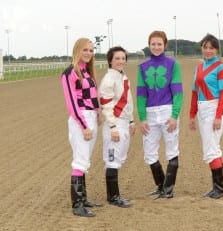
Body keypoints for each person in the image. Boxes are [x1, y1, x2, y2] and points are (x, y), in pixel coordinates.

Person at [136, 31, 183, 199]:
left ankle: (168, 191)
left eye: (159, 44)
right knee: (149, 153)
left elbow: (178, 92)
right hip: (149, 113)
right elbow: (141, 95)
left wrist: (174, 115)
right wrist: (142, 118)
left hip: (167, 111)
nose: (156, 47)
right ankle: (161, 186)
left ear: (165, 45)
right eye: (153, 44)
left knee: (171, 150)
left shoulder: (173, 65)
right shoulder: (142, 67)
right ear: (149, 45)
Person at [60, 37, 102, 217]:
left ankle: (83, 199)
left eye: (91, 50)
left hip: (91, 117)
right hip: (81, 119)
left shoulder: (87, 71)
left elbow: (92, 95)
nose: (89, 53)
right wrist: (84, 125)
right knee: (80, 160)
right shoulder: (70, 72)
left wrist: (98, 111)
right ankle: (77, 205)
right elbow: (71, 103)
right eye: (85, 50)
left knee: (85, 159)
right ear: (77, 50)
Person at [189, 33, 223, 199]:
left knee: (211, 149)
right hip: (202, 110)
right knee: (212, 147)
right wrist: (192, 115)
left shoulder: (222, 68)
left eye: (211, 48)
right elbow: (194, 92)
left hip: (214, 109)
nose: (208, 50)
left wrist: (218, 116)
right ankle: (218, 188)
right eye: (205, 47)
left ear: (216, 49)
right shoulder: (199, 68)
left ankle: (219, 189)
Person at [98, 46, 135, 208]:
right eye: (117, 58)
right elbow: (106, 104)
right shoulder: (109, 79)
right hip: (115, 122)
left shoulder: (122, 76)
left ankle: (114, 195)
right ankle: (113, 197)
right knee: (112, 160)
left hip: (124, 122)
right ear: (110, 61)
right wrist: (113, 127)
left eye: (123, 58)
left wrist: (132, 121)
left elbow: (128, 101)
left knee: (119, 158)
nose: (121, 61)